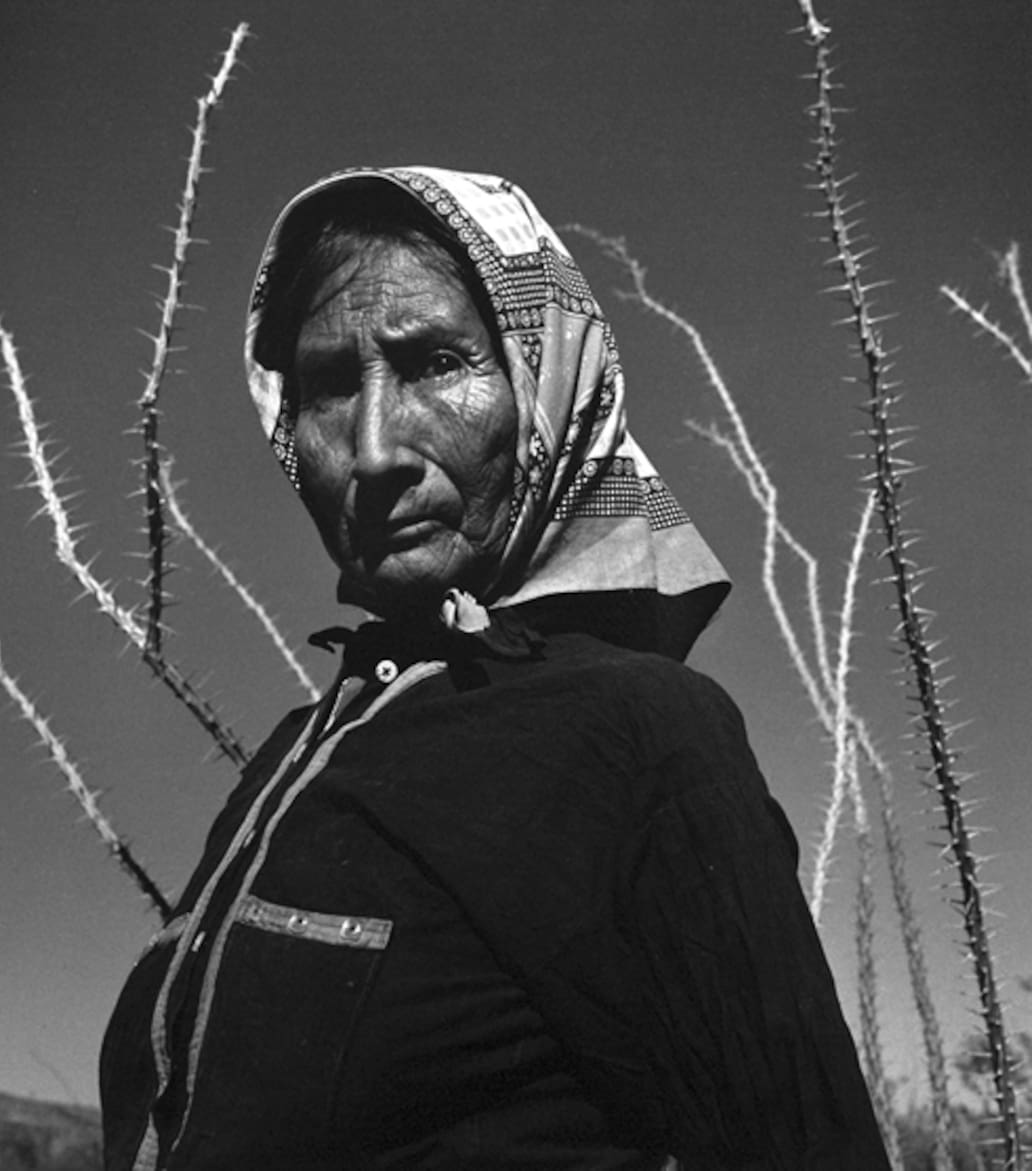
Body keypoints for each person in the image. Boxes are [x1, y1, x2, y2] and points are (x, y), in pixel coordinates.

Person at [99, 166, 889, 1169]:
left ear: (544, 385)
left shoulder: (638, 734)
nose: (376, 450)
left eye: (435, 362)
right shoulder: (300, 757)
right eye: (331, 384)